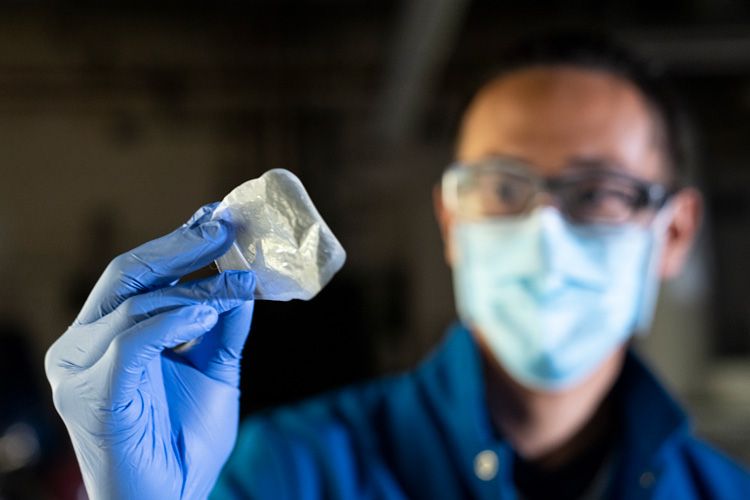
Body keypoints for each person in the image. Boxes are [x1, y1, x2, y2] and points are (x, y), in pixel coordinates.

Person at [45, 32, 750, 499]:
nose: (546, 232)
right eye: (504, 187)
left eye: (599, 192)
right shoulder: (286, 473)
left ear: (676, 230)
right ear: (450, 221)